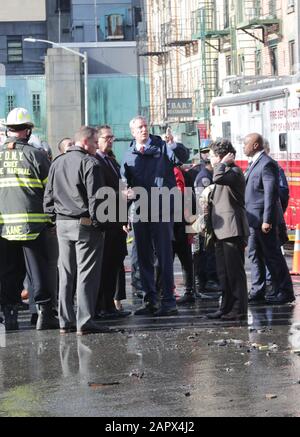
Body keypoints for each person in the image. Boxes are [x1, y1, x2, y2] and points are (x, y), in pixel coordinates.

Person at [44, 126, 110, 335]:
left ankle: (65, 321)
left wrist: (52, 219)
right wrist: (100, 226)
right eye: (94, 142)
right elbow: (96, 200)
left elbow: (48, 196)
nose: (96, 146)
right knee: (86, 274)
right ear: (85, 142)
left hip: (62, 224)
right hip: (84, 224)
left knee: (65, 274)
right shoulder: (90, 163)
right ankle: (85, 321)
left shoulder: (57, 162)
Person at [122, 116, 189, 316]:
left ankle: (169, 301)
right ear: (133, 132)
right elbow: (124, 183)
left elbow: (182, 158)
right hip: (140, 211)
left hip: (161, 210)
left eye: (145, 126)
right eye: (140, 127)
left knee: (164, 257)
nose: (144, 130)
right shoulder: (129, 154)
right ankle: (149, 300)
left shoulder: (162, 146)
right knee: (143, 258)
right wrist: (124, 209)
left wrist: (174, 144)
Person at [0, 107, 59, 331]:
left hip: (4, 228)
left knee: (8, 273)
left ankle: (10, 316)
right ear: (27, 130)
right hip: (32, 225)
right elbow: (50, 191)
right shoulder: (36, 155)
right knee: (39, 272)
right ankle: (44, 315)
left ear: (8, 130)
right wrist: (52, 221)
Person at [244, 133, 294, 305]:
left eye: (246, 143)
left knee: (272, 256)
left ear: (256, 145)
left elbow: (270, 195)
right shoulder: (253, 164)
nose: (243, 146)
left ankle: (285, 291)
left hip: (262, 220)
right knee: (254, 255)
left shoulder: (267, 164)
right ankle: (258, 290)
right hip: (252, 221)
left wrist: (267, 220)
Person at [206, 139, 249, 321]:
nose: (209, 159)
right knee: (224, 273)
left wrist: (223, 163)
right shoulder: (225, 171)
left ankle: (239, 309)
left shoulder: (234, 172)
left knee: (235, 273)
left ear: (221, 157)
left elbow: (217, 178)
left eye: (212, 155)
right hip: (221, 230)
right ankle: (226, 307)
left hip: (233, 230)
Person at [95, 125, 130, 318]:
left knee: (114, 264)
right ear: (98, 140)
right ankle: (101, 305)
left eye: (111, 137)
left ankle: (109, 304)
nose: (110, 140)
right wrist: (121, 194)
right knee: (105, 264)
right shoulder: (95, 161)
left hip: (116, 221)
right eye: (107, 137)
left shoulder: (112, 161)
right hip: (105, 220)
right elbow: (100, 192)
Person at [193, 142, 220, 299]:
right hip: (206, 221)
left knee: (210, 251)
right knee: (207, 251)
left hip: (211, 220)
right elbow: (202, 203)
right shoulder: (204, 177)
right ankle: (209, 280)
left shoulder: (209, 175)